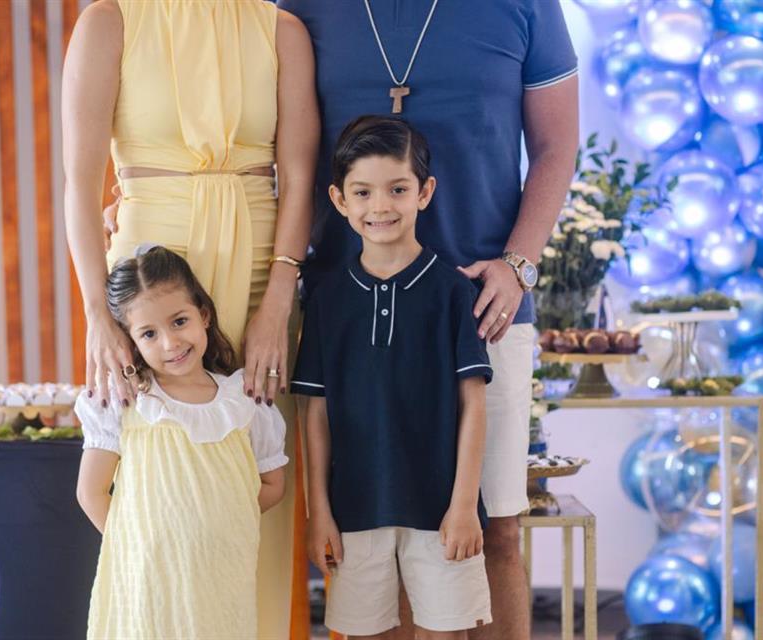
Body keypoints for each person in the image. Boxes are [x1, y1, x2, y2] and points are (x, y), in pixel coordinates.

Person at [277, 2, 579, 637]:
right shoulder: (299, 10)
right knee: (377, 530)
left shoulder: (527, 7)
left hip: (485, 303)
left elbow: (556, 146)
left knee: (495, 528)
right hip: (351, 310)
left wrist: (518, 264)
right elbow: (267, 142)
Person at [62, 2, 318, 635]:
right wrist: (97, 313)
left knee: (252, 457)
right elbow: (80, 182)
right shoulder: (109, 21)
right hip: (148, 272)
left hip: (260, 264)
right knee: (144, 452)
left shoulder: (280, 29)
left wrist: (278, 297)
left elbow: (300, 174)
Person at [292, 116, 492, 639]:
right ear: (339, 200)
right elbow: (315, 415)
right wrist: (319, 513)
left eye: (397, 189)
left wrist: (464, 504)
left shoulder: (453, 293)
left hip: (442, 510)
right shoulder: (326, 300)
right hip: (354, 510)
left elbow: (473, 404)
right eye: (363, 192)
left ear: (424, 192)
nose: (380, 206)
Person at [75, 246, 288, 639]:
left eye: (179, 321)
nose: (170, 343)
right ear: (130, 341)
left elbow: (273, 483)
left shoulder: (242, 402)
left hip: (220, 580)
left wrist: (217, 520)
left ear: (203, 315)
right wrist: (140, 546)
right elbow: (91, 492)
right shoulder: (129, 402)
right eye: (149, 334)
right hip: (149, 583)